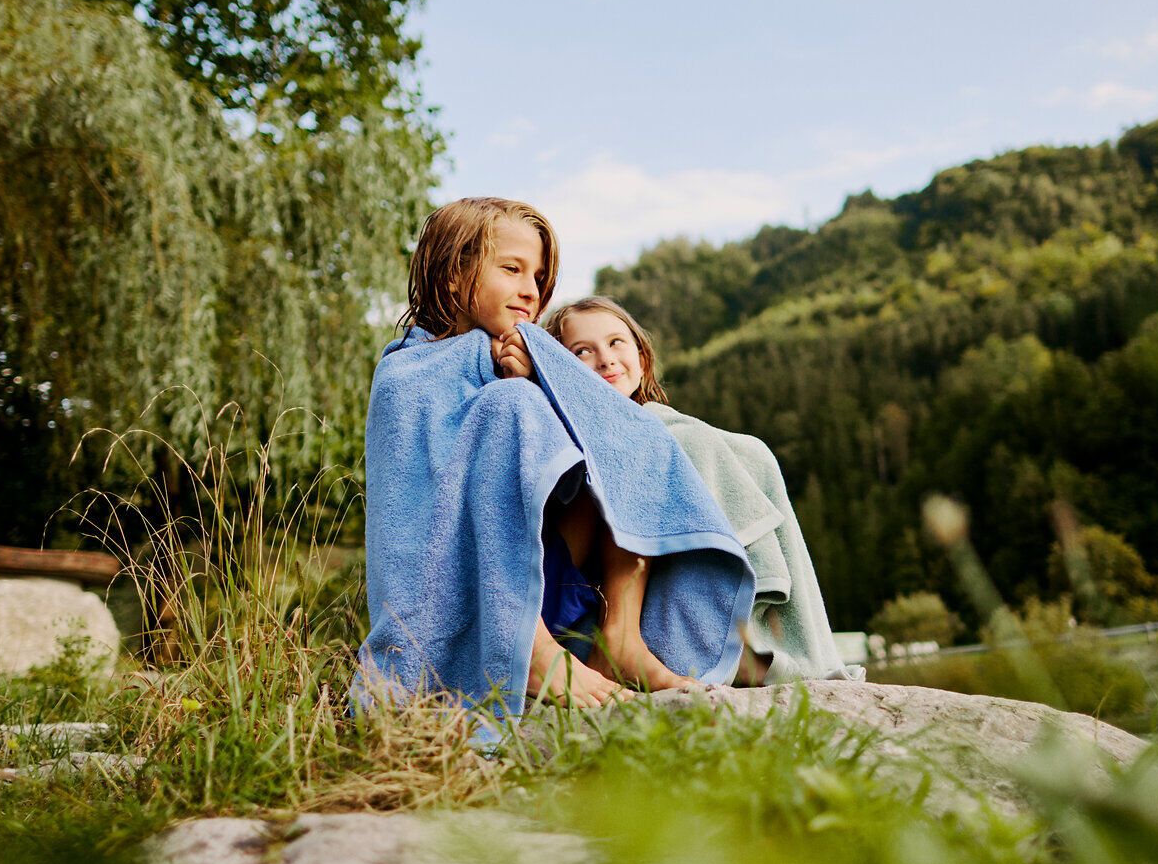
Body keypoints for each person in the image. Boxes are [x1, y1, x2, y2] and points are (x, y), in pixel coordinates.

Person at [357, 198, 753, 723]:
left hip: (554, 583)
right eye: (512, 269)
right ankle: (534, 654)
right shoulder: (407, 373)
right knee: (511, 407)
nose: (532, 289)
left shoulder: (525, 359)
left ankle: (621, 636)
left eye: (540, 275)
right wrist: (510, 388)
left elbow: (618, 437)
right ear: (454, 275)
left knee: (606, 426)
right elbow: (417, 519)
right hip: (474, 605)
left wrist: (541, 380)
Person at [544, 296, 859, 686]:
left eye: (616, 343)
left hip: (646, 590)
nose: (606, 359)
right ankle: (656, 646)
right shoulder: (564, 441)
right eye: (582, 351)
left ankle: (745, 641)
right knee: (655, 435)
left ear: (642, 359)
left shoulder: (665, 429)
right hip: (577, 611)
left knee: (751, 452)